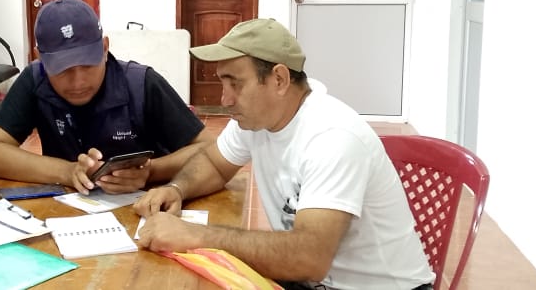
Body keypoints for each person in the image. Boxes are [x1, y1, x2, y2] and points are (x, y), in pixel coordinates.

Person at [133, 19, 435, 290]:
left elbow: (308, 258)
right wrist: (176, 188)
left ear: (279, 79)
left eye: (235, 84)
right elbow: (215, 163)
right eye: (223, 84)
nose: (225, 99)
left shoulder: (333, 137)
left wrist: (197, 235)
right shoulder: (256, 119)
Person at [0, 0, 212, 194]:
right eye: (63, 69)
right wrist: (67, 172)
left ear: (105, 48)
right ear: (40, 58)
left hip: (147, 211)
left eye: (88, 65)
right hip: (70, 215)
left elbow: (209, 148)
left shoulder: (142, 84)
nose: (78, 82)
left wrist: (151, 171)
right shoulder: (35, 80)